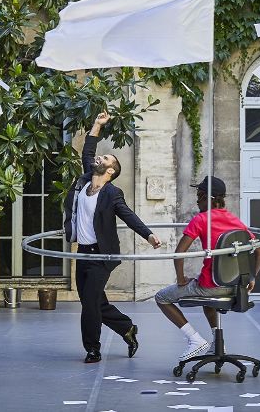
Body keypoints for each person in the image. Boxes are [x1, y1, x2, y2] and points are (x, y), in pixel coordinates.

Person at [64, 112, 162, 364]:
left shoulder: (112, 193)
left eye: (105, 158)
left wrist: (148, 235)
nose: (99, 157)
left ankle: (92, 349)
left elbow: (128, 215)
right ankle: (127, 328)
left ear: (110, 170)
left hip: (102, 254)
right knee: (92, 300)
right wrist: (97, 124)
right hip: (83, 252)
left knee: (89, 306)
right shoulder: (85, 180)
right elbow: (87, 151)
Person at [155, 176, 260, 360]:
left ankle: (195, 339)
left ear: (207, 197)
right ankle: (217, 343)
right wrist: (251, 278)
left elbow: (179, 253)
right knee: (208, 303)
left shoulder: (201, 219)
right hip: (236, 286)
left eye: (199, 196)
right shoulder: (236, 221)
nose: (197, 200)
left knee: (162, 297)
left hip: (210, 286)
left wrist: (181, 280)